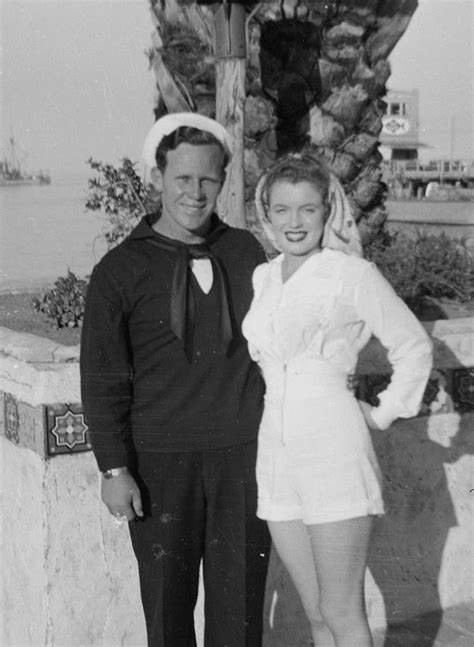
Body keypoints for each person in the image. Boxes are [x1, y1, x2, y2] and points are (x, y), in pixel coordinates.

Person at [80, 112, 271, 647]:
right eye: (183, 178)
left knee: (240, 613)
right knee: (167, 612)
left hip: (243, 458)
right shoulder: (120, 269)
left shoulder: (246, 252)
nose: (195, 191)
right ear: (158, 178)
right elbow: (102, 377)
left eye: (208, 179)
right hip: (159, 464)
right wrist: (113, 468)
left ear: (224, 181)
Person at [242, 152, 433, 647]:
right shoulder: (263, 278)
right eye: (282, 209)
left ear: (327, 211)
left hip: (334, 453)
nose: (294, 222)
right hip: (276, 456)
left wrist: (385, 411)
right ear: (267, 213)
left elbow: (413, 345)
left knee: (341, 608)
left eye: (307, 209)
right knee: (315, 612)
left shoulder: (351, 273)